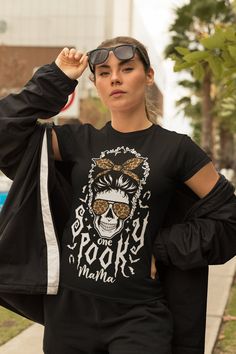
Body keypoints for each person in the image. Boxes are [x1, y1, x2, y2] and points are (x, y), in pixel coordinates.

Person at [0, 36, 235, 354]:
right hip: (68, 314)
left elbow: (229, 219)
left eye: (127, 68)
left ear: (148, 75)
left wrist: (163, 245)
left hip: (138, 317)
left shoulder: (177, 150)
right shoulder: (77, 141)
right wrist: (57, 78)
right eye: (104, 72)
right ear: (95, 81)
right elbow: (6, 130)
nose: (115, 78)